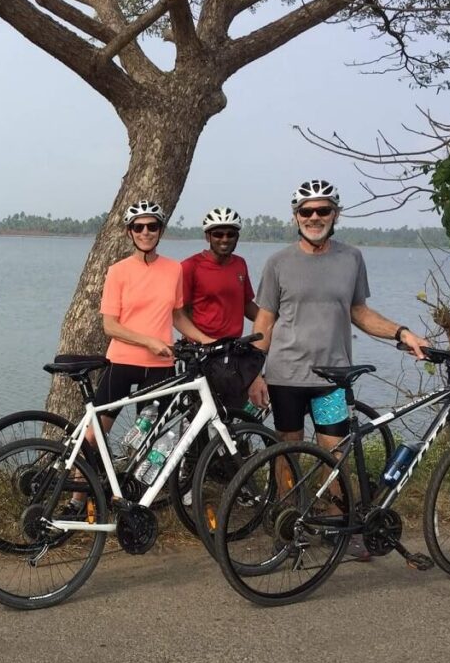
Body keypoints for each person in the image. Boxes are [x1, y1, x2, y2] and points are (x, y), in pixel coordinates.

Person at [247, 179, 429, 558]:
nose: (314, 217)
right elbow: (263, 322)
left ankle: (338, 527)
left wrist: (402, 331)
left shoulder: (351, 258)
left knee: (334, 453)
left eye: (323, 210)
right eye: (306, 211)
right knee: (287, 451)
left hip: (332, 378)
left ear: (336, 214)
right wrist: (255, 372)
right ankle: (290, 522)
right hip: (285, 376)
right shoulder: (278, 263)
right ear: (295, 216)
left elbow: (359, 312)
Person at [66, 200, 213, 513]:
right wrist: (148, 341)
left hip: (159, 368)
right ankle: (75, 498)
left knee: (154, 441)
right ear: (129, 232)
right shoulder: (118, 271)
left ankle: (136, 504)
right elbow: (110, 325)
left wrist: (207, 340)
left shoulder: (174, 270)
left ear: (160, 231)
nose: (146, 232)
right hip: (122, 362)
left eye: (152, 226)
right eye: (139, 227)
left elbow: (178, 316)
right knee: (94, 434)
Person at [181, 207, 261, 409]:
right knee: (197, 420)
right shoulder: (190, 266)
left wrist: (272, 321)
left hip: (233, 353)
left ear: (237, 236)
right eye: (218, 234)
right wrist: (202, 340)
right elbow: (180, 311)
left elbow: (245, 304)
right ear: (208, 236)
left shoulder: (239, 264)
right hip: (202, 354)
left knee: (234, 418)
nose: (224, 239)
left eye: (230, 234)